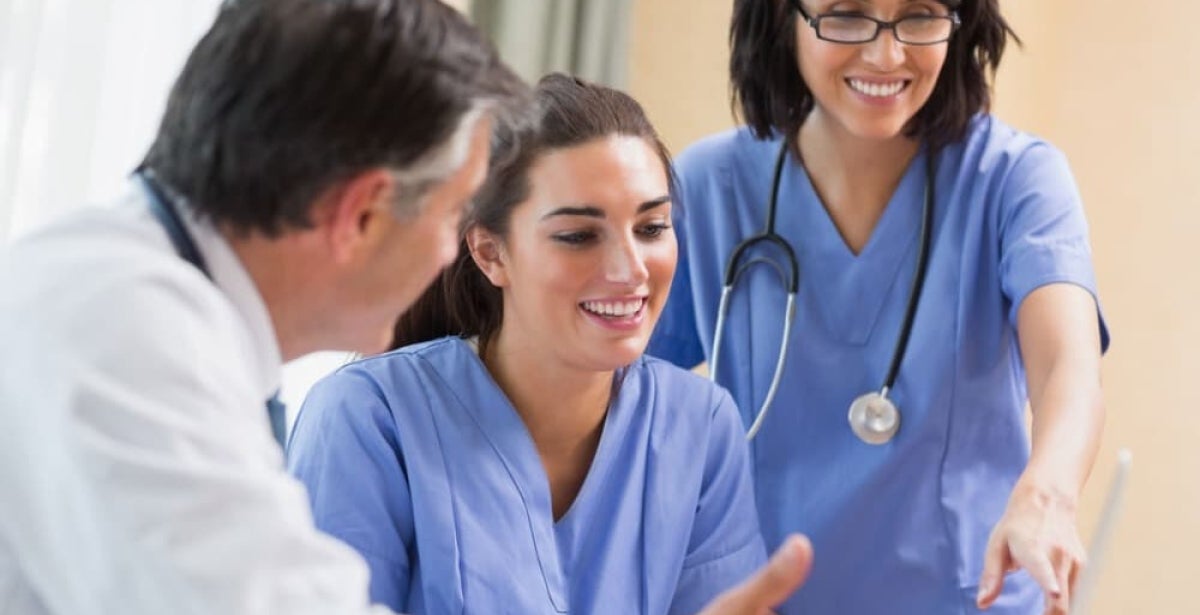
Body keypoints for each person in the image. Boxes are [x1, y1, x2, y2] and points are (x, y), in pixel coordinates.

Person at [0, 1, 812, 613]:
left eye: (652, 224)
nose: (447, 254)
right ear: (362, 213)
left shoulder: (128, 296)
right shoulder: (132, 342)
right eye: (452, 214)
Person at [647, 1, 1108, 614]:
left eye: (918, 14)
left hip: (972, 599)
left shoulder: (1015, 181)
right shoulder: (710, 187)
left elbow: (1066, 366)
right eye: (846, 14)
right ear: (782, 16)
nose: (887, 55)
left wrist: (1046, 495)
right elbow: (611, 400)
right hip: (765, 599)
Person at [287, 73, 786, 615]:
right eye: (578, 235)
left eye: (651, 227)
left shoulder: (701, 423)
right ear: (490, 253)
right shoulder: (366, 420)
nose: (630, 269)